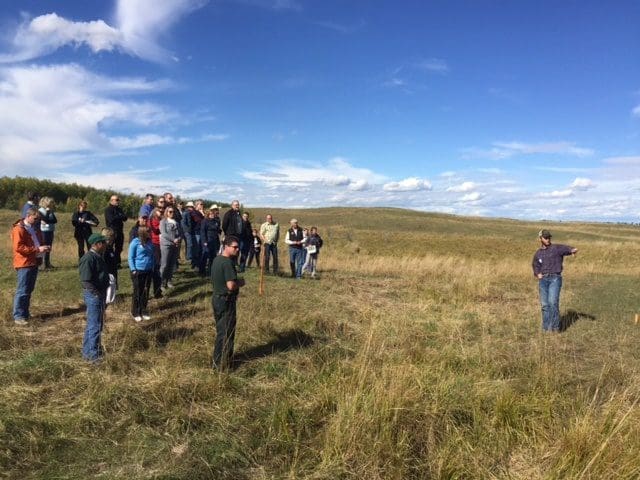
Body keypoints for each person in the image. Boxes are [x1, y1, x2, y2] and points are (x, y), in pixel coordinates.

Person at [532, 229, 578, 332]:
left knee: (552, 302)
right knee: (545, 305)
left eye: (549, 237)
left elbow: (567, 249)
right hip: (543, 280)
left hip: (555, 279)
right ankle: (546, 328)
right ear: (540, 238)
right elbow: (535, 265)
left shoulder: (556, 248)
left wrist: (572, 250)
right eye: (545, 237)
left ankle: (555, 328)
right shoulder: (538, 253)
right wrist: (537, 273)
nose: (548, 239)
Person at [210, 236, 245, 370]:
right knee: (226, 333)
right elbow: (231, 285)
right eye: (234, 247)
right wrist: (241, 282)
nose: (237, 249)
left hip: (217, 299)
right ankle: (222, 364)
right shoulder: (227, 262)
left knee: (221, 331)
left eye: (238, 247)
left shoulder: (216, 259)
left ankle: (220, 361)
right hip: (226, 301)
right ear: (226, 246)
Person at [11, 208, 49, 325]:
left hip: (33, 261)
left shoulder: (34, 229)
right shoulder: (19, 229)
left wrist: (44, 247)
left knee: (28, 289)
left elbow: (38, 242)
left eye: (38, 219)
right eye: (35, 218)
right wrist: (37, 249)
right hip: (24, 263)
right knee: (22, 290)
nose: (37, 220)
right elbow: (19, 247)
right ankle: (18, 316)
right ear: (28, 216)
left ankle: (25, 313)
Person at [79, 233, 110, 363]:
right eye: (103, 242)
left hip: (99, 294)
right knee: (95, 326)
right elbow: (86, 280)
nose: (105, 245)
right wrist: (96, 294)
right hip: (94, 295)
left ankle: (87, 352)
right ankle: (94, 356)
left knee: (94, 324)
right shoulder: (88, 258)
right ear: (97, 244)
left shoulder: (98, 256)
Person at [128, 226, 154, 322]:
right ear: (143, 232)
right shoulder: (135, 242)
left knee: (146, 291)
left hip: (149, 270)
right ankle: (135, 311)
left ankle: (144, 310)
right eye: (148, 231)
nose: (150, 233)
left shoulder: (150, 242)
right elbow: (131, 257)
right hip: (138, 270)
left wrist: (153, 266)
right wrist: (133, 269)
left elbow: (152, 255)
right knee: (138, 291)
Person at [159, 206, 181, 291]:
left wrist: (179, 238)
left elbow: (180, 232)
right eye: (170, 212)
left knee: (171, 264)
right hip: (166, 245)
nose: (172, 213)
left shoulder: (176, 222)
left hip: (175, 246)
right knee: (164, 265)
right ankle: (161, 283)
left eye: (173, 212)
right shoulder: (163, 221)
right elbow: (164, 233)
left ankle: (169, 281)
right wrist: (173, 239)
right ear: (166, 212)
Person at [104, 194, 128, 267]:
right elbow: (111, 219)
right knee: (109, 247)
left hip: (120, 231)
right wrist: (120, 216)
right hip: (111, 231)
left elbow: (125, 218)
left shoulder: (119, 209)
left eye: (118, 200)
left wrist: (118, 216)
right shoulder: (108, 209)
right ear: (111, 201)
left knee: (119, 248)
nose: (118, 201)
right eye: (116, 200)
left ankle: (117, 263)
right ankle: (110, 263)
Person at [200, 205, 222, 276]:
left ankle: (210, 271)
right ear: (208, 214)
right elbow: (202, 232)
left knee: (213, 257)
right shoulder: (205, 221)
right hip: (207, 241)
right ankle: (202, 271)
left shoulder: (215, 221)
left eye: (213, 214)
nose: (212, 215)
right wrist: (204, 241)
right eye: (211, 214)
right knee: (205, 256)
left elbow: (218, 230)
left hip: (214, 241)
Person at [38, 196, 58, 269]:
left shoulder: (50, 211)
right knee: (44, 247)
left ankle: (47, 263)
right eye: (49, 203)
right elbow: (45, 219)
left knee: (49, 247)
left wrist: (48, 220)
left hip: (50, 230)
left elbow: (55, 221)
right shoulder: (40, 211)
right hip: (44, 231)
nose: (50, 205)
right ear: (45, 203)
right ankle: (42, 264)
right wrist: (47, 213)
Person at [148, 206, 164, 298]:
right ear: (154, 212)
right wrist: (162, 226)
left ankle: (158, 290)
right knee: (156, 267)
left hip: (162, 243)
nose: (160, 212)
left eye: (161, 211)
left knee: (160, 266)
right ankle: (156, 291)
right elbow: (156, 230)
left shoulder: (161, 220)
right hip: (155, 244)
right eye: (159, 211)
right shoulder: (151, 220)